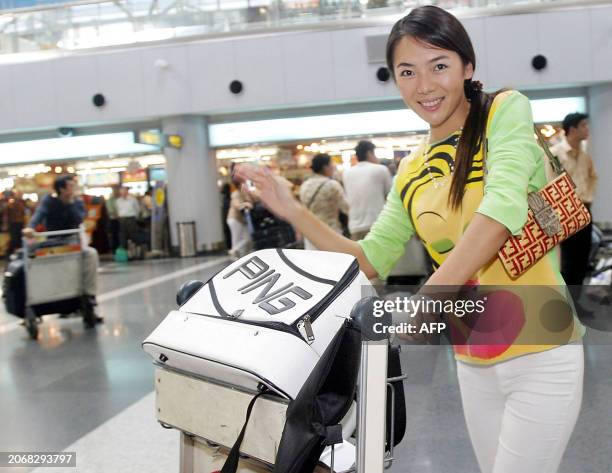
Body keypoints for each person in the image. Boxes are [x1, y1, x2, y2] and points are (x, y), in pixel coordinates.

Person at [236, 6, 584, 473]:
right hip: (474, 359)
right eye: (407, 72)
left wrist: (430, 299)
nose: (424, 85)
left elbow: (501, 210)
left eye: (439, 65)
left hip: (544, 347)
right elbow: (368, 258)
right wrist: (291, 208)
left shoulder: (504, 111)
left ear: (467, 66)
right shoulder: (411, 169)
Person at [24, 176, 102, 325]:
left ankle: (89, 295)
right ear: (61, 189)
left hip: (73, 242)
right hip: (53, 243)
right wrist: (30, 227)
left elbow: (78, 219)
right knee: (40, 263)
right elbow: (39, 214)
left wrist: (71, 203)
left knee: (91, 254)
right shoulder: (49, 201)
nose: (74, 188)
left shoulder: (77, 202)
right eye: (70, 186)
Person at [549, 113, 597, 311]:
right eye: (584, 125)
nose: (587, 129)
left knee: (581, 260)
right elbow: (548, 183)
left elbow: (593, 177)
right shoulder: (555, 153)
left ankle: (576, 304)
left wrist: (588, 197)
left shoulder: (584, 155)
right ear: (573, 129)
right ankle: (564, 305)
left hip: (584, 211)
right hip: (563, 215)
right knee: (566, 261)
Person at [342, 141, 392, 240]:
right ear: (369, 153)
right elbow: (390, 196)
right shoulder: (381, 169)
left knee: (360, 255)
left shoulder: (346, 173)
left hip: (355, 227)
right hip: (378, 224)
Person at [299, 154, 349, 250]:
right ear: (325, 167)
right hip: (330, 232)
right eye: (331, 164)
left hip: (310, 233)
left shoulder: (304, 185)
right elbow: (346, 207)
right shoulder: (332, 185)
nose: (333, 167)